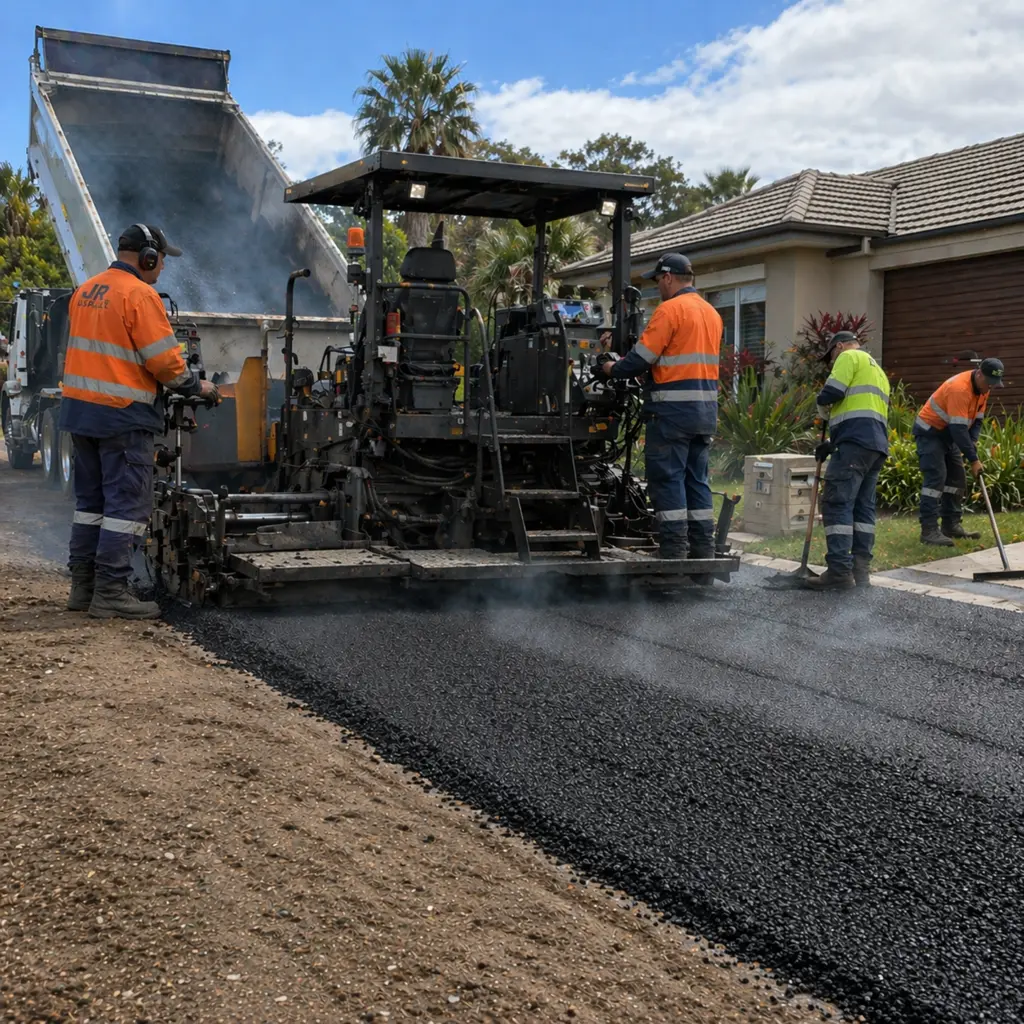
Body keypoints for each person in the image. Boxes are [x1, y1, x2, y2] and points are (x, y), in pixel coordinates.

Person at [58, 223, 219, 618]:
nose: (162, 267)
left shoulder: (85, 291)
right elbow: (165, 362)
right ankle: (111, 592)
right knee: (126, 507)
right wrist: (199, 387)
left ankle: (83, 589)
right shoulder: (140, 295)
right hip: (122, 417)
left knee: (90, 504)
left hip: (81, 413)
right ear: (147, 256)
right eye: (161, 259)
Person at [597, 252, 723, 561]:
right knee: (697, 480)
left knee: (668, 479)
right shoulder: (711, 313)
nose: (658, 288)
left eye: (658, 282)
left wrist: (609, 367)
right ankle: (704, 549)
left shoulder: (670, 310)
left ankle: (673, 550)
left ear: (668, 277)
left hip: (672, 414)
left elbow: (640, 360)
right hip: (704, 413)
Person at [803, 330, 891, 590]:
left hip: (854, 447)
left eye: (831, 357)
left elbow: (833, 392)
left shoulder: (849, 356)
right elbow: (865, 415)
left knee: (837, 503)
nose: (831, 363)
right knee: (863, 509)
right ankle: (860, 572)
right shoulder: (879, 371)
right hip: (874, 448)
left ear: (839, 346)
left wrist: (821, 402)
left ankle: (840, 572)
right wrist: (832, 443)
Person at [913, 356, 1005, 546]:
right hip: (931, 432)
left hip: (949, 433)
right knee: (936, 478)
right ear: (979, 374)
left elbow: (977, 419)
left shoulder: (983, 388)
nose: (990, 387)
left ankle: (951, 524)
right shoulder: (960, 389)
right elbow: (958, 429)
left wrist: (971, 443)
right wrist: (973, 458)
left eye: (994, 384)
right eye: (989, 382)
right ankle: (929, 530)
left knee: (956, 479)